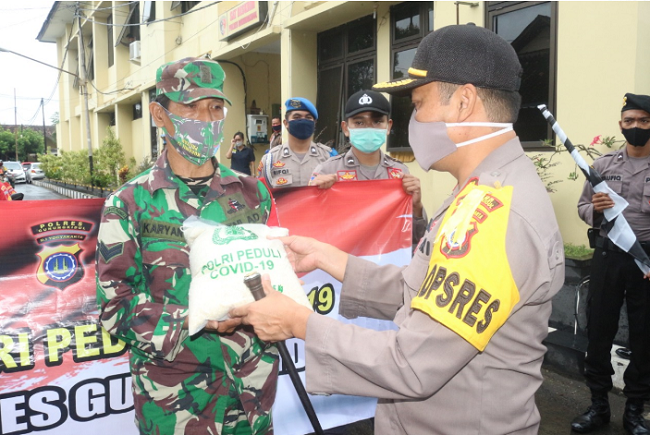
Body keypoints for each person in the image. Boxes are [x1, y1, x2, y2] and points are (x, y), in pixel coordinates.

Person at [230, 24, 565, 435]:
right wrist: (328, 257)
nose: (413, 122)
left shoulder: (495, 215)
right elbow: (422, 295)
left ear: (463, 102)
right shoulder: (479, 190)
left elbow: (413, 362)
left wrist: (300, 323)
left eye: (419, 105)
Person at [95, 57, 278, 435]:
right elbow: (116, 307)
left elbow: (273, 274)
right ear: (160, 115)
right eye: (191, 107)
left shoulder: (253, 193)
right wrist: (199, 318)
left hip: (251, 395)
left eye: (214, 107)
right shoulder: (128, 203)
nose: (206, 119)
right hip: (175, 404)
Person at [572, 93, 650, 435]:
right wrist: (597, 209)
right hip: (607, 256)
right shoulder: (602, 166)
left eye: (644, 121)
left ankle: (635, 411)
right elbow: (583, 207)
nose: (636, 127)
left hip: (645, 261)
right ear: (621, 124)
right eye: (630, 121)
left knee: (644, 337)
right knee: (599, 332)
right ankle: (598, 406)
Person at [310, 89, 427, 249]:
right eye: (359, 122)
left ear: (388, 126)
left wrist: (417, 207)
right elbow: (312, 232)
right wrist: (312, 198)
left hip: (388, 265)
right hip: (342, 267)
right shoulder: (327, 171)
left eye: (377, 121)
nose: (368, 128)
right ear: (345, 128)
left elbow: (416, 240)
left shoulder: (400, 173)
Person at [258, 98, 336, 189]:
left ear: (314, 123)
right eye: (297, 117)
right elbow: (261, 196)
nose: (303, 121)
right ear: (286, 123)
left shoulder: (329, 157)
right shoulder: (270, 160)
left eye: (308, 118)